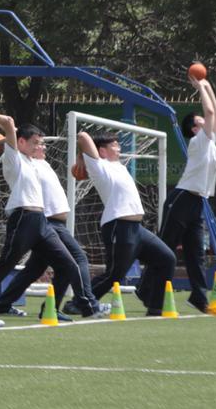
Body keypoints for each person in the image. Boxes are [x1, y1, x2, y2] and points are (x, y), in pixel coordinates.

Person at [0, 116, 103, 319]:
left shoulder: (37, 163)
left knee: (59, 265)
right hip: (30, 218)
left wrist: (9, 138)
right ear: (23, 144)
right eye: (38, 144)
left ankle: (8, 305)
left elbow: (23, 133)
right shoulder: (17, 160)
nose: (43, 147)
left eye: (42, 143)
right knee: (8, 264)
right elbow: (13, 126)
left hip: (42, 223)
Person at [75, 129, 178, 317]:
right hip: (118, 226)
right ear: (102, 151)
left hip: (137, 229)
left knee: (167, 259)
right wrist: (82, 156)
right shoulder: (99, 166)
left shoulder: (119, 166)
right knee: (115, 275)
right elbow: (82, 136)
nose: (119, 147)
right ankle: (78, 302)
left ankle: (155, 306)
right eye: (113, 145)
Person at [163, 78, 216, 313]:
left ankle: (199, 297)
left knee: (195, 253)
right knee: (165, 249)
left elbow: (214, 111)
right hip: (181, 199)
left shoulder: (210, 141)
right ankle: (148, 290)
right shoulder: (199, 140)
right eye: (201, 121)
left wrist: (207, 86)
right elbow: (209, 111)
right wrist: (199, 88)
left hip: (197, 202)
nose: (207, 120)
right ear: (195, 129)